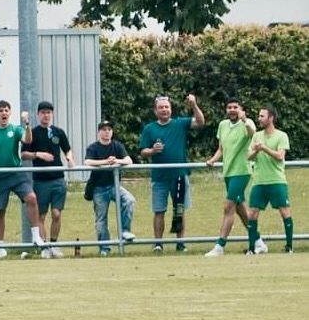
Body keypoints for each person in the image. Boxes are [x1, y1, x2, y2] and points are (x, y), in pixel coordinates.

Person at [138, 94, 205, 252]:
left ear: (171, 109)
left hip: (179, 176)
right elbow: (142, 152)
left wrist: (194, 104)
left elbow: (201, 122)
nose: (164, 110)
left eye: (166, 107)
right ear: (156, 111)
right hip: (159, 177)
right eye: (161, 107)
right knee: (159, 211)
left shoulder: (180, 123)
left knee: (179, 210)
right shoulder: (149, 129)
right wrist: (153, 150)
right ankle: (158, 244)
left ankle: (180, 243)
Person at [0, 100, 44, 259]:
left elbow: (28, 140)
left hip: (16, 173)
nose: (4, 113)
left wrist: (27, 124)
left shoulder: (15, 129)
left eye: (6, 110)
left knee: (32, 198)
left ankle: (36, 236)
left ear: (10, 113)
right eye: (1, 110)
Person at [203, 98, 256, 256]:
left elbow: (253, 133)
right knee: (240, 209)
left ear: (241, 109)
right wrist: (212, 160)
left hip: (242, 171)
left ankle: (220, 245)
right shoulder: (223, 125)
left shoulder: (247, 123)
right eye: (229, 107)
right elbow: (222, 148)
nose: (232, 110)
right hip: (229, 172)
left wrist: (245, 119)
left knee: (228, 206)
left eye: (235, 107)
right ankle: (258, 241)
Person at [24, 100, 76, 258]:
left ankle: (53, 244)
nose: (46, 115)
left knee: (57, 214)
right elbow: (24, 154)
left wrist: (70, 159)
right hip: (41, 180)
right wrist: (39, 154)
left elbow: (67, 149)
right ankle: (44, 246)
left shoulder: (58, 132)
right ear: (38, 114)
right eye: (43, 112)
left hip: (58, 178)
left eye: (49, 112)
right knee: (41, 215)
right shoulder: (33, 133)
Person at [82, 121, 137, 256]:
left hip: (114, 186)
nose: (107, 132)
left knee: (129, 200)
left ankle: (125, 231)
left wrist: (117, 161)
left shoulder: (117, 146)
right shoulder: (93, 148)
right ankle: (104, 249)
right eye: (104, 129)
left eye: (109, 129)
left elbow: (129, 160)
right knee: (101, 219)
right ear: (99, 132)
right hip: (98, 189)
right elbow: (87, 162)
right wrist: (106, 162)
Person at [246, 106, 294, 255]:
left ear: (271, 118)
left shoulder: (281, 136)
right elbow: (249, 156)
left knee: (284, 211)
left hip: (277, 180)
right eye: (259, 116)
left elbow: (280, 156)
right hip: (259, 181)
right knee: (252, 213)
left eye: (262, 116)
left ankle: (289, 247)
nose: (259, 119)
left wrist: (264, 148)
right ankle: (252, 248)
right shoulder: (256, 136)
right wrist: (256, 150)